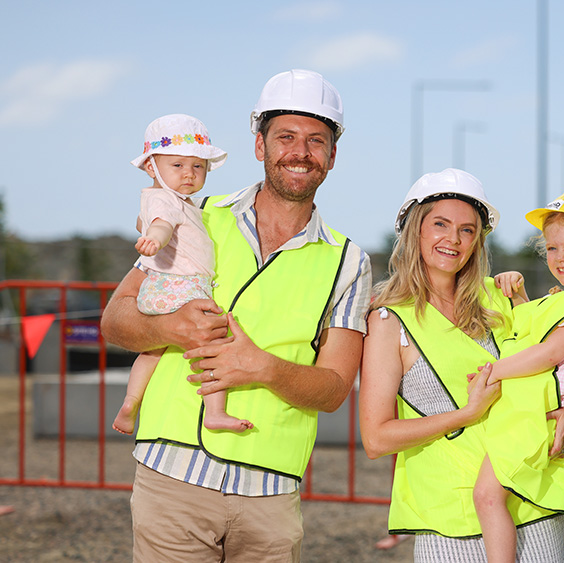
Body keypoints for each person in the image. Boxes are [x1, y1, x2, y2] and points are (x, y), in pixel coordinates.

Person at [101, 69, 372, 562]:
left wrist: (262, 368)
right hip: (171, 478)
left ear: (332, 155)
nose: (300, 151)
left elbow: (335, 389)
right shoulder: (193, 214)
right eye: (285, 137)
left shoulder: (349, 261)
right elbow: (115, 319)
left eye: (316, 140)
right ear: (259, 145)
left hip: (269, 494)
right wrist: (167, 328)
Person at [359, 168, 564, 562]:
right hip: (450, 517)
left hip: (531, 498)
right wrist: (467, 413)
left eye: (468, 230)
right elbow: (377, 439)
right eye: (440, 225)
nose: (453, 239)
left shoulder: (499, 298)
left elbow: (556, 366)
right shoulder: (388, 322)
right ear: (414, 230)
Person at [472, 189, 564, 563]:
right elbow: (540, 334)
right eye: (552, 249)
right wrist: (522, 297)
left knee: (488, 495)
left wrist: (493, 372)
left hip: (539, 414)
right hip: (540, 409)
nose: (559, 258)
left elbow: (550, 353)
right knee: (495, 495)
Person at [112, 113, 251, 435]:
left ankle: (132, 400)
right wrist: (154, 240)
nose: (189, 174)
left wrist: (146, 229)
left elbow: (146, 220)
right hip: (183, 286)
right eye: (177, 166)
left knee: (152, 351)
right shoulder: (169, 201)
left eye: (198, 167)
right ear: (152, 167)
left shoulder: (159, 197)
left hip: (159, 288)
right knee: (215, 343)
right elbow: (161, 224)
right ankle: (215, 412)